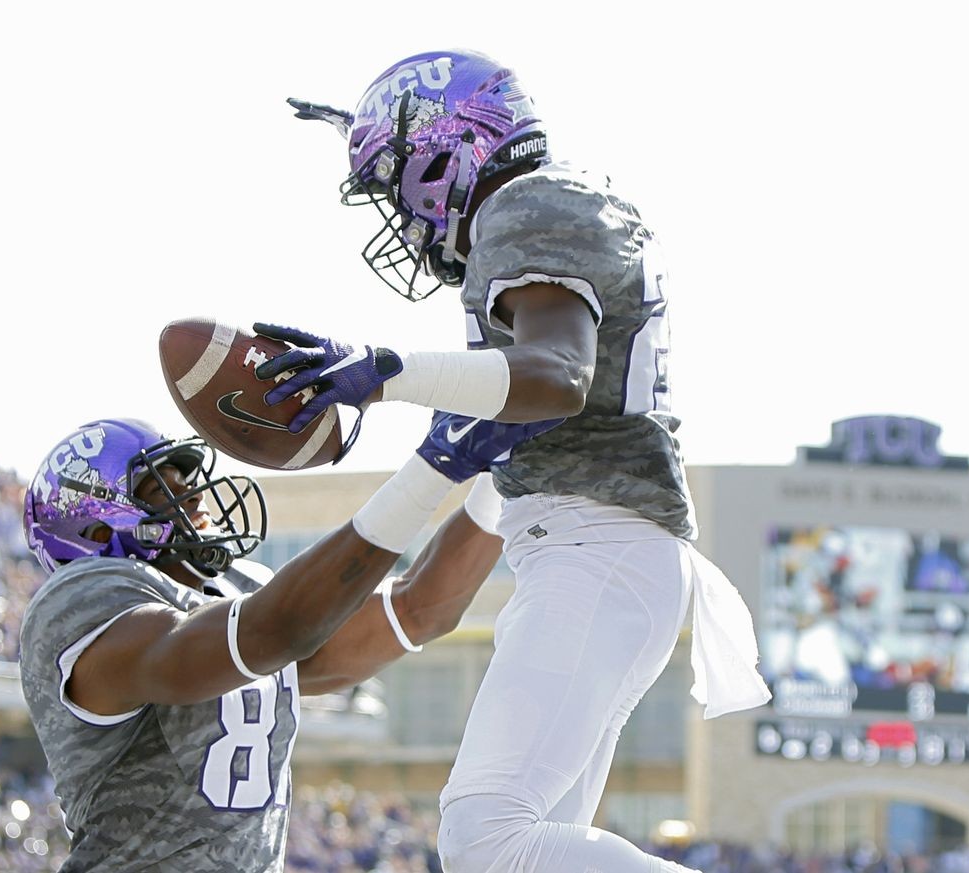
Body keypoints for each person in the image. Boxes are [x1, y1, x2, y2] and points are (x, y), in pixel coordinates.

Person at [261, 50, 774, 873]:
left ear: (446, 151)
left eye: (395, 180)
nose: (400, 209)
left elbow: (558, 377)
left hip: (596, 547)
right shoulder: (547, 213)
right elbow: (436, 586)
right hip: (592, 546)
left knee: (485, 836)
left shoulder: (530, 205)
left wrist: (387, 371)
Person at [18, 413, 556, 871]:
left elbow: (420, 609)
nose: (196, 500)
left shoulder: (239, 592)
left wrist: (498, 476)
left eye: (187, 482)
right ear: (92, 531)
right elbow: (268, 631)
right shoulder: (81, 600)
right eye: (164, 491)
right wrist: (433, 468)